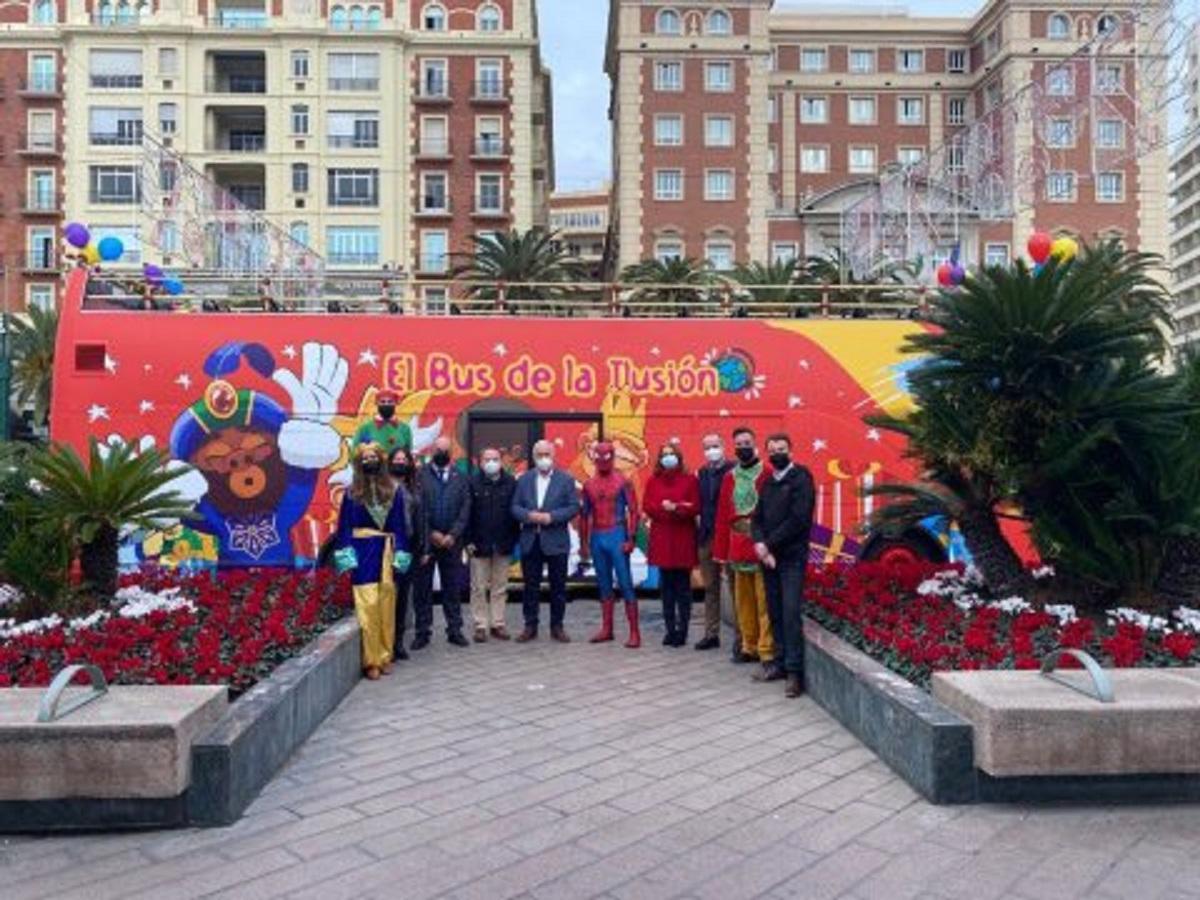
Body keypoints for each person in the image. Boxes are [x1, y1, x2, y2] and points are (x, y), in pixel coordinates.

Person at [334, 443, 412, 680]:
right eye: (365, 458)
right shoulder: (350, 493)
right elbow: (344, 527)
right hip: (362, 553)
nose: (370, 461)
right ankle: (371, 661)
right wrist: (347, 558)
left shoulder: (394, 491)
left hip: (386, 553)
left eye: (373, 457)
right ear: (359, 463)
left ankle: (385, 655)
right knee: (367, 607)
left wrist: (401, 553)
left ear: (381, 459)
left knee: (387, 606)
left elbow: (399, 525)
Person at [753, 434, 816, 698]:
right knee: (775, 611)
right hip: (769, 559)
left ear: (791, 450)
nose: (777, 453)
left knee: (790, 614)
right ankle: (779, 663)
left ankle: (794, 673)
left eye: (782, 449)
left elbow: (799, 519)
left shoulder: (801, 478)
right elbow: (757, 518)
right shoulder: (767, 482)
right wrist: (759, 544)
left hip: (790, 558)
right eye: (772, 450)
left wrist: (769, 544)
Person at [713, 426, 775, 674]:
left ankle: (766, 650)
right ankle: (748, 646)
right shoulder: (730, 477)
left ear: (755, 443)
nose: (743, 447)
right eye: (738, 444)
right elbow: (722, 515)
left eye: (747, 442)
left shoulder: (767, 473)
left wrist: (770, 544)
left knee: (764, 602)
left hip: (760, 543)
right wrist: (720, 551)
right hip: (737, 545)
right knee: (743, 602)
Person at [512, 439, 580, 643]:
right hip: (531, 540)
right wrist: (529, 516)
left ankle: (557, 626)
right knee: (530, 586)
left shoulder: (566, 480)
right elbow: (514, 507)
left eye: (546, 455)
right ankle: (530, 626)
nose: (543, 459)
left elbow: (573, 507)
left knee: (558, 587)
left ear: (553, 456)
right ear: (533, 458)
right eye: (539, 455)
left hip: (556, 542)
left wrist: (552, 517)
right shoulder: (523, 479)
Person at [579, 441, 641, 648]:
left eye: (607, 456)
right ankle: (607, 629)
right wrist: (584, 544)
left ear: (613, 457)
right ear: (594, 457)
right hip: (598, 535)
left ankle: (634, 632)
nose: (603, 460)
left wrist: (631, 538)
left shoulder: (623, 481)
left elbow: (634, 511)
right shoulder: (589, 485)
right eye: (600, 456)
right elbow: (584, 515)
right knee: (603, 583)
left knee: (625, 583)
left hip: (616, 533)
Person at [412, 436, 471, 649]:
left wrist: (453, 535)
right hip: (426, 543)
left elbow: (466, 509)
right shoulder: (419, 476)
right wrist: (432, 534)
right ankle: (422, 632)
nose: (442, 454)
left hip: (452, 543)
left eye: (446, 450)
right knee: (422, 590)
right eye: (439, 449)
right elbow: (419, 510)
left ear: (451, 453)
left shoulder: (461, 478)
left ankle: (454, 630)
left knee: (452, 588)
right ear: (432, 450)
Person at [644, 442, 700, 647]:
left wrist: (676, 508)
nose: (668, 458)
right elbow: (648, 506)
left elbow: (695, 507)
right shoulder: (653, 480)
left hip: (683, 538)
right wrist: (664, 509)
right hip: (662, 538)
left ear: (679, 457)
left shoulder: (690, 480)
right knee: (666, 588)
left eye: (672, 454)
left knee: (683, 588)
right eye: (664, 454)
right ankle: (670, 630)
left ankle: (683, 631)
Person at [467, 447, 519, 642]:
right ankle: (480, 625)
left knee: (500, 587)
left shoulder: (511, 483)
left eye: (495, 459)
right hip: (479, 543)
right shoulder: (472, 483)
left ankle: (498, 623)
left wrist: (513, 540)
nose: (491, 463)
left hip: (503, 543)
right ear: (480, 462)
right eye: (487, 459)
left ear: (501, 461)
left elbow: (515, 515)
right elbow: (467, 514)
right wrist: (468, 540)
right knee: (478, 587)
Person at [695, 433, 733, 651]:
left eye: (715, 446)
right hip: (707, 535)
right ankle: (711, 634)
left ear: (723, 446)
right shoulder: (702, 472)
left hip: (728, 536)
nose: (711, 451)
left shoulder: (734, 470)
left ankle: (743, 638)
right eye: (707, 447)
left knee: (736, 586)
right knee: (710, 586)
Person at [387, 446, 426, 661]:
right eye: (397, 459)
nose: (400, 462)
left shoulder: (414, 486)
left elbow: (421, 518)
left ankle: (398, 643)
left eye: (404, 459)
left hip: (407, 548)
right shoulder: (382, 485)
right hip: (385, 548)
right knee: (387, 594)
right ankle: (385, 642)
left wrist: (423, 546)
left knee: (402, 595)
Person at [354, 389, 413, 454]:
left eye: (390, 402)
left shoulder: (405, 428)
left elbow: (408, 454)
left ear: (395, 404)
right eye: (382, 402)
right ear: (376, 403)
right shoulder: (365, 428)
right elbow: (355, 451)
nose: (386, 404)